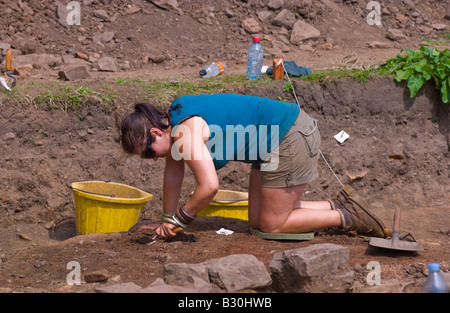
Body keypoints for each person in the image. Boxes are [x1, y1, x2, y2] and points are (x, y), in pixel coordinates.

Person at [120, 93, 389, 239]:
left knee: (272, 225)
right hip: (270, 145)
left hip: (289, 135)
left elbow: (210, 187)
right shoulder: (176, 116)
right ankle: (339, 204)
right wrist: (167, 218)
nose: (152, 159)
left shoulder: (184, 134)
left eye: (146, 153)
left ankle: (349, 218)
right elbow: (173, 172)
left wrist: (180, 219)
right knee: (257, 222)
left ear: (155, 132)